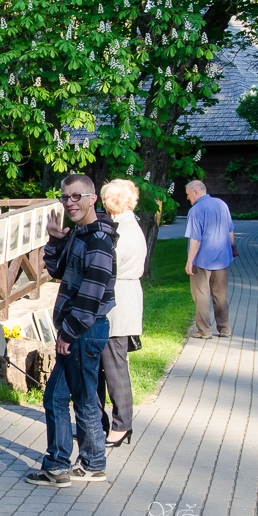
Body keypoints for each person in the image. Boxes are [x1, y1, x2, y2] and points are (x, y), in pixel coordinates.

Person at [26, 174, 117, 487]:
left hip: (84, 330)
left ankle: (70, 464)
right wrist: (54, 239)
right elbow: (58, 271)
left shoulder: (98, 240)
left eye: (77, 197)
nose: (70, 203)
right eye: (65, 198)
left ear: (93, 198)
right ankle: (80, 463)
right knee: (65, 397)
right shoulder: (80, 234)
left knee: (79, 398)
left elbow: (91, 295)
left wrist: (68, 333)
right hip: (78, 329)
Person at [99, 179, 146, 448]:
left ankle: (122, 425)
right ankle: (100, 422)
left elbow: (109, 264)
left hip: (119, 302)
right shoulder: (123, 225)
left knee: (115, 367)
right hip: (116, 300)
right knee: (102, 367)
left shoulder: (126, 229)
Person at [184, 180, 235, 338]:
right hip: (222, 258)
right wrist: (231, 249)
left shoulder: (196, 210)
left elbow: (195, 239)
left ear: (196, 192)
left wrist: (189, 261)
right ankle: (225, 328)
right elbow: (230, 231)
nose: (187, 198)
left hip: (202, 260)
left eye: (187, 194)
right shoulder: (221, 204)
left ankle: (205, 330)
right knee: (221, 295)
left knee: (201, 294)